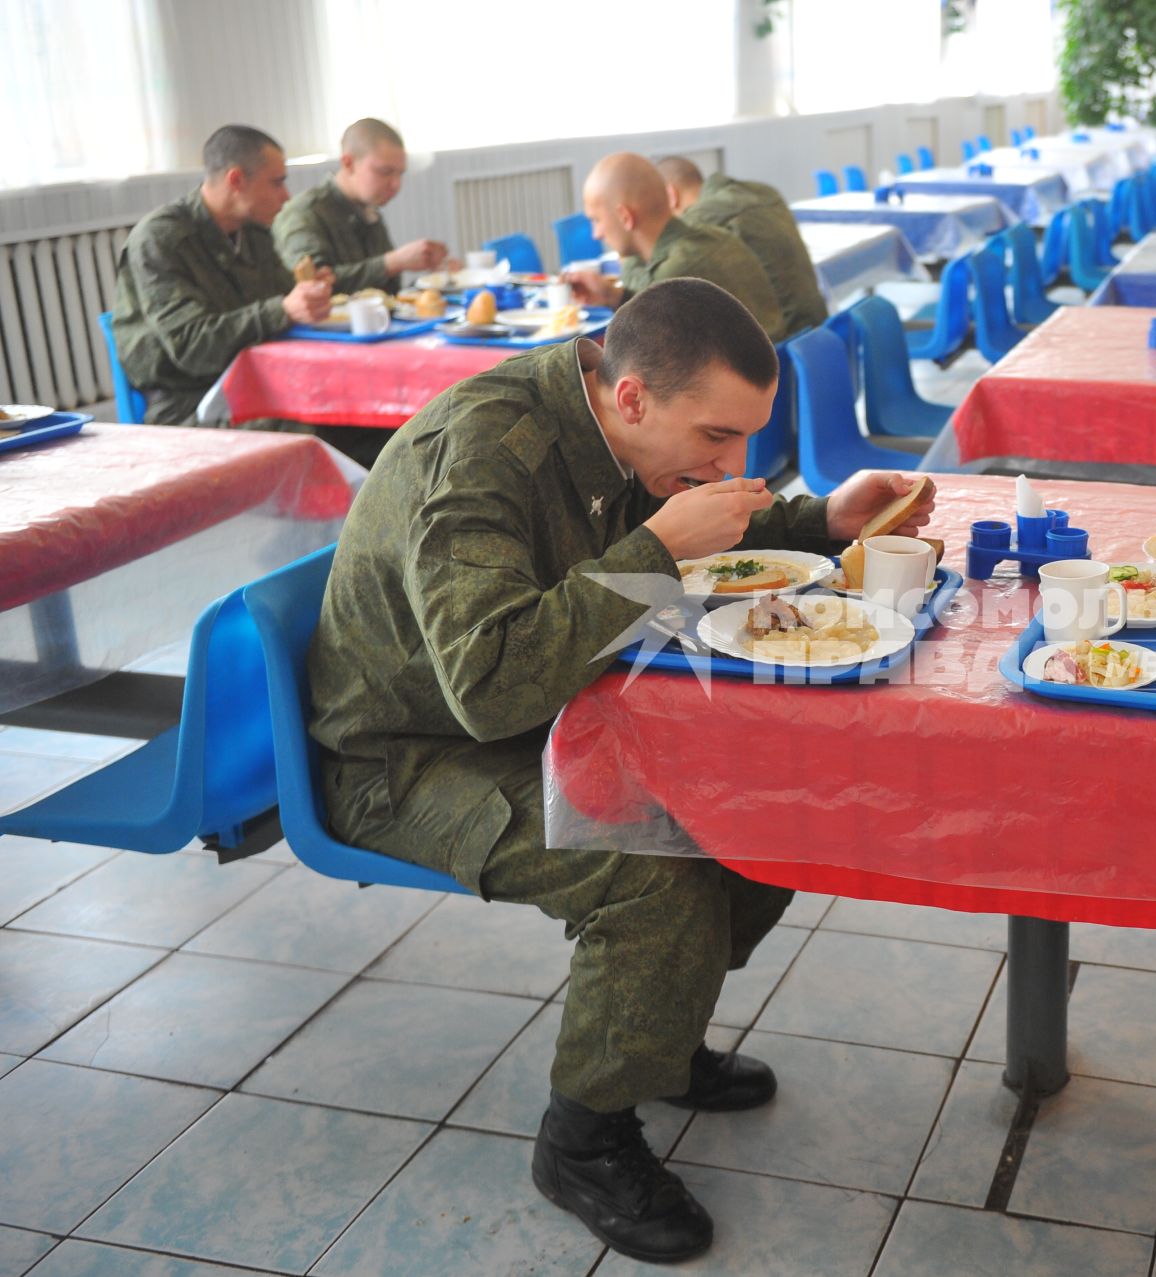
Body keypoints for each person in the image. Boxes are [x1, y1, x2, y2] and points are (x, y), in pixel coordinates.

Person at [306, 277, 933, 1263]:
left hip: (539, 712)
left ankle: (660, 1023)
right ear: (632, 395)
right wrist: (653, 549)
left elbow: (698, 525)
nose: (734, 465)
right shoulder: (479, 454)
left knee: (768, 804)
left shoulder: (616, 424)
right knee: (655, 867)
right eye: (718, 439)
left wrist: (819, 522)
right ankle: (584, 1140)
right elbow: (490, 688)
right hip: (408, 755)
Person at [111, 124, 333, 428]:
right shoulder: (161, 239)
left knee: (350, 409)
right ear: (236, 180)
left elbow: (280, 300)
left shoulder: (252, 232)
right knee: (315, 425)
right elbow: (192, 349)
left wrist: (307, 294)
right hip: (189, 403)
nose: (286, 196)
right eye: (276, 183)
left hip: (257, 381)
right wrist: (283, 310)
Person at [561, 153, 788, 341]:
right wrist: (610, 294)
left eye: (596, 220)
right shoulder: (715, 237)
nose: (596, 233)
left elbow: (636, 348)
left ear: (625, 217)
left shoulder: (674, 276)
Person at [658, 155, 828, 337]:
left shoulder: (699, 219)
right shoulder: (764, 191)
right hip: (819, 330)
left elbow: (658, 284)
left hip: (783, 346)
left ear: (671, 195)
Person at [273, 117, 447, 292]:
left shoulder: (367, 209)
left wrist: (432, 279)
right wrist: (393, 262)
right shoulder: (305, 212)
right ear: (348, 163)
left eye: (399, 174)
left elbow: (386, 293)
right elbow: (314, 286)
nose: (396, 184)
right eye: (385, 172)